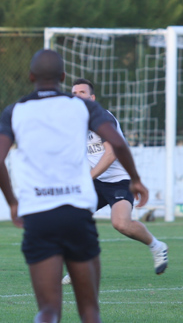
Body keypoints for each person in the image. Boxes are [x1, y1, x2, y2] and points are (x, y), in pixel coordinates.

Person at [0, 49, 149, 323]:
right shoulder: (83, 106)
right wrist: (135, 178)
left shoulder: (14, 111)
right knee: (89, 311)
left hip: (38, 215)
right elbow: (118, 143)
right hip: (76, 212)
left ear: (30, 77)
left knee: (48, 310)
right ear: (63, 77)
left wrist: (13, 202)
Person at [58, 78, 168, 285]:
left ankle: (157, 246)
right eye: (74, 93)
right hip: (95, 180)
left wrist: (86, 178)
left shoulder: (102, 118)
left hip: (119, 180)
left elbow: (111, 155)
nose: (77, 96)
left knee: (121, 224)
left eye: (82, 92)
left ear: (92, 98)